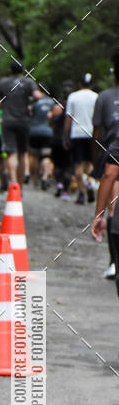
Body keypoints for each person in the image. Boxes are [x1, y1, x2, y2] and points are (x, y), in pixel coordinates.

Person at [92, 50, 119, 277]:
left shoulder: (105, 96)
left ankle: (114, 261)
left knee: (114, 206)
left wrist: (97, 214)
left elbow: (97, 131)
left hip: (113, 157)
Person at [0, 60, 43, 185]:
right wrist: (30, 102)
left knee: (11, 152)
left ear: (10, 70)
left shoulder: (3, 83)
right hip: (24, 121)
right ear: (23, 70)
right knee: (22, 154)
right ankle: (20, 185)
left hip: (7, 120)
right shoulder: (28, 82)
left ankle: (12, 182)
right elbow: (38, 96)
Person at [64, 74, 97, 204]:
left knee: (78, 164)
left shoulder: (73, 96)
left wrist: (65, 135)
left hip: (77, 133)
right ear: (92, 84)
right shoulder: (96, 97)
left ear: (79, 83)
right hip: (91, 133)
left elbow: (68, 117)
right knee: (89, 163)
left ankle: (81, 193)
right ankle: (90, 183)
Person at [49, 83, 73, 199]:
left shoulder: (57, 106)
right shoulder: (73, 106)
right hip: (69, 139)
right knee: (68, 165)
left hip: (56, 139)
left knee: (57, 164)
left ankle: (59, 184)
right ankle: (65, 191)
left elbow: (51, 122)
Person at [28, 86, 55, 188]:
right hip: (47, 132)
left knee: (33, 156)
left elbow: (29, 114)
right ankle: (45, 176)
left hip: (34, 131)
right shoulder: (52, 102)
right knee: (46, 156)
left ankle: (34, 179)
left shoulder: (35, 103)